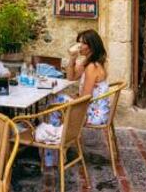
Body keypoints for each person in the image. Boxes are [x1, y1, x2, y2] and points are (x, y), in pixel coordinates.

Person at [43, 29, 110, 166]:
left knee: (55, 103)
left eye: (82, 43)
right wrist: (72, 58)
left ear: (91, 46)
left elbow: (85, 98)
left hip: (92, 113)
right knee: (57, 100)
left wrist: (71, 99)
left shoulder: (92, 66)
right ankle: (56, 145)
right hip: (92, 107)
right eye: (78, 42)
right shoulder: (88, 62)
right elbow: (71, 77)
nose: (79, 45)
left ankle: (54, 151)